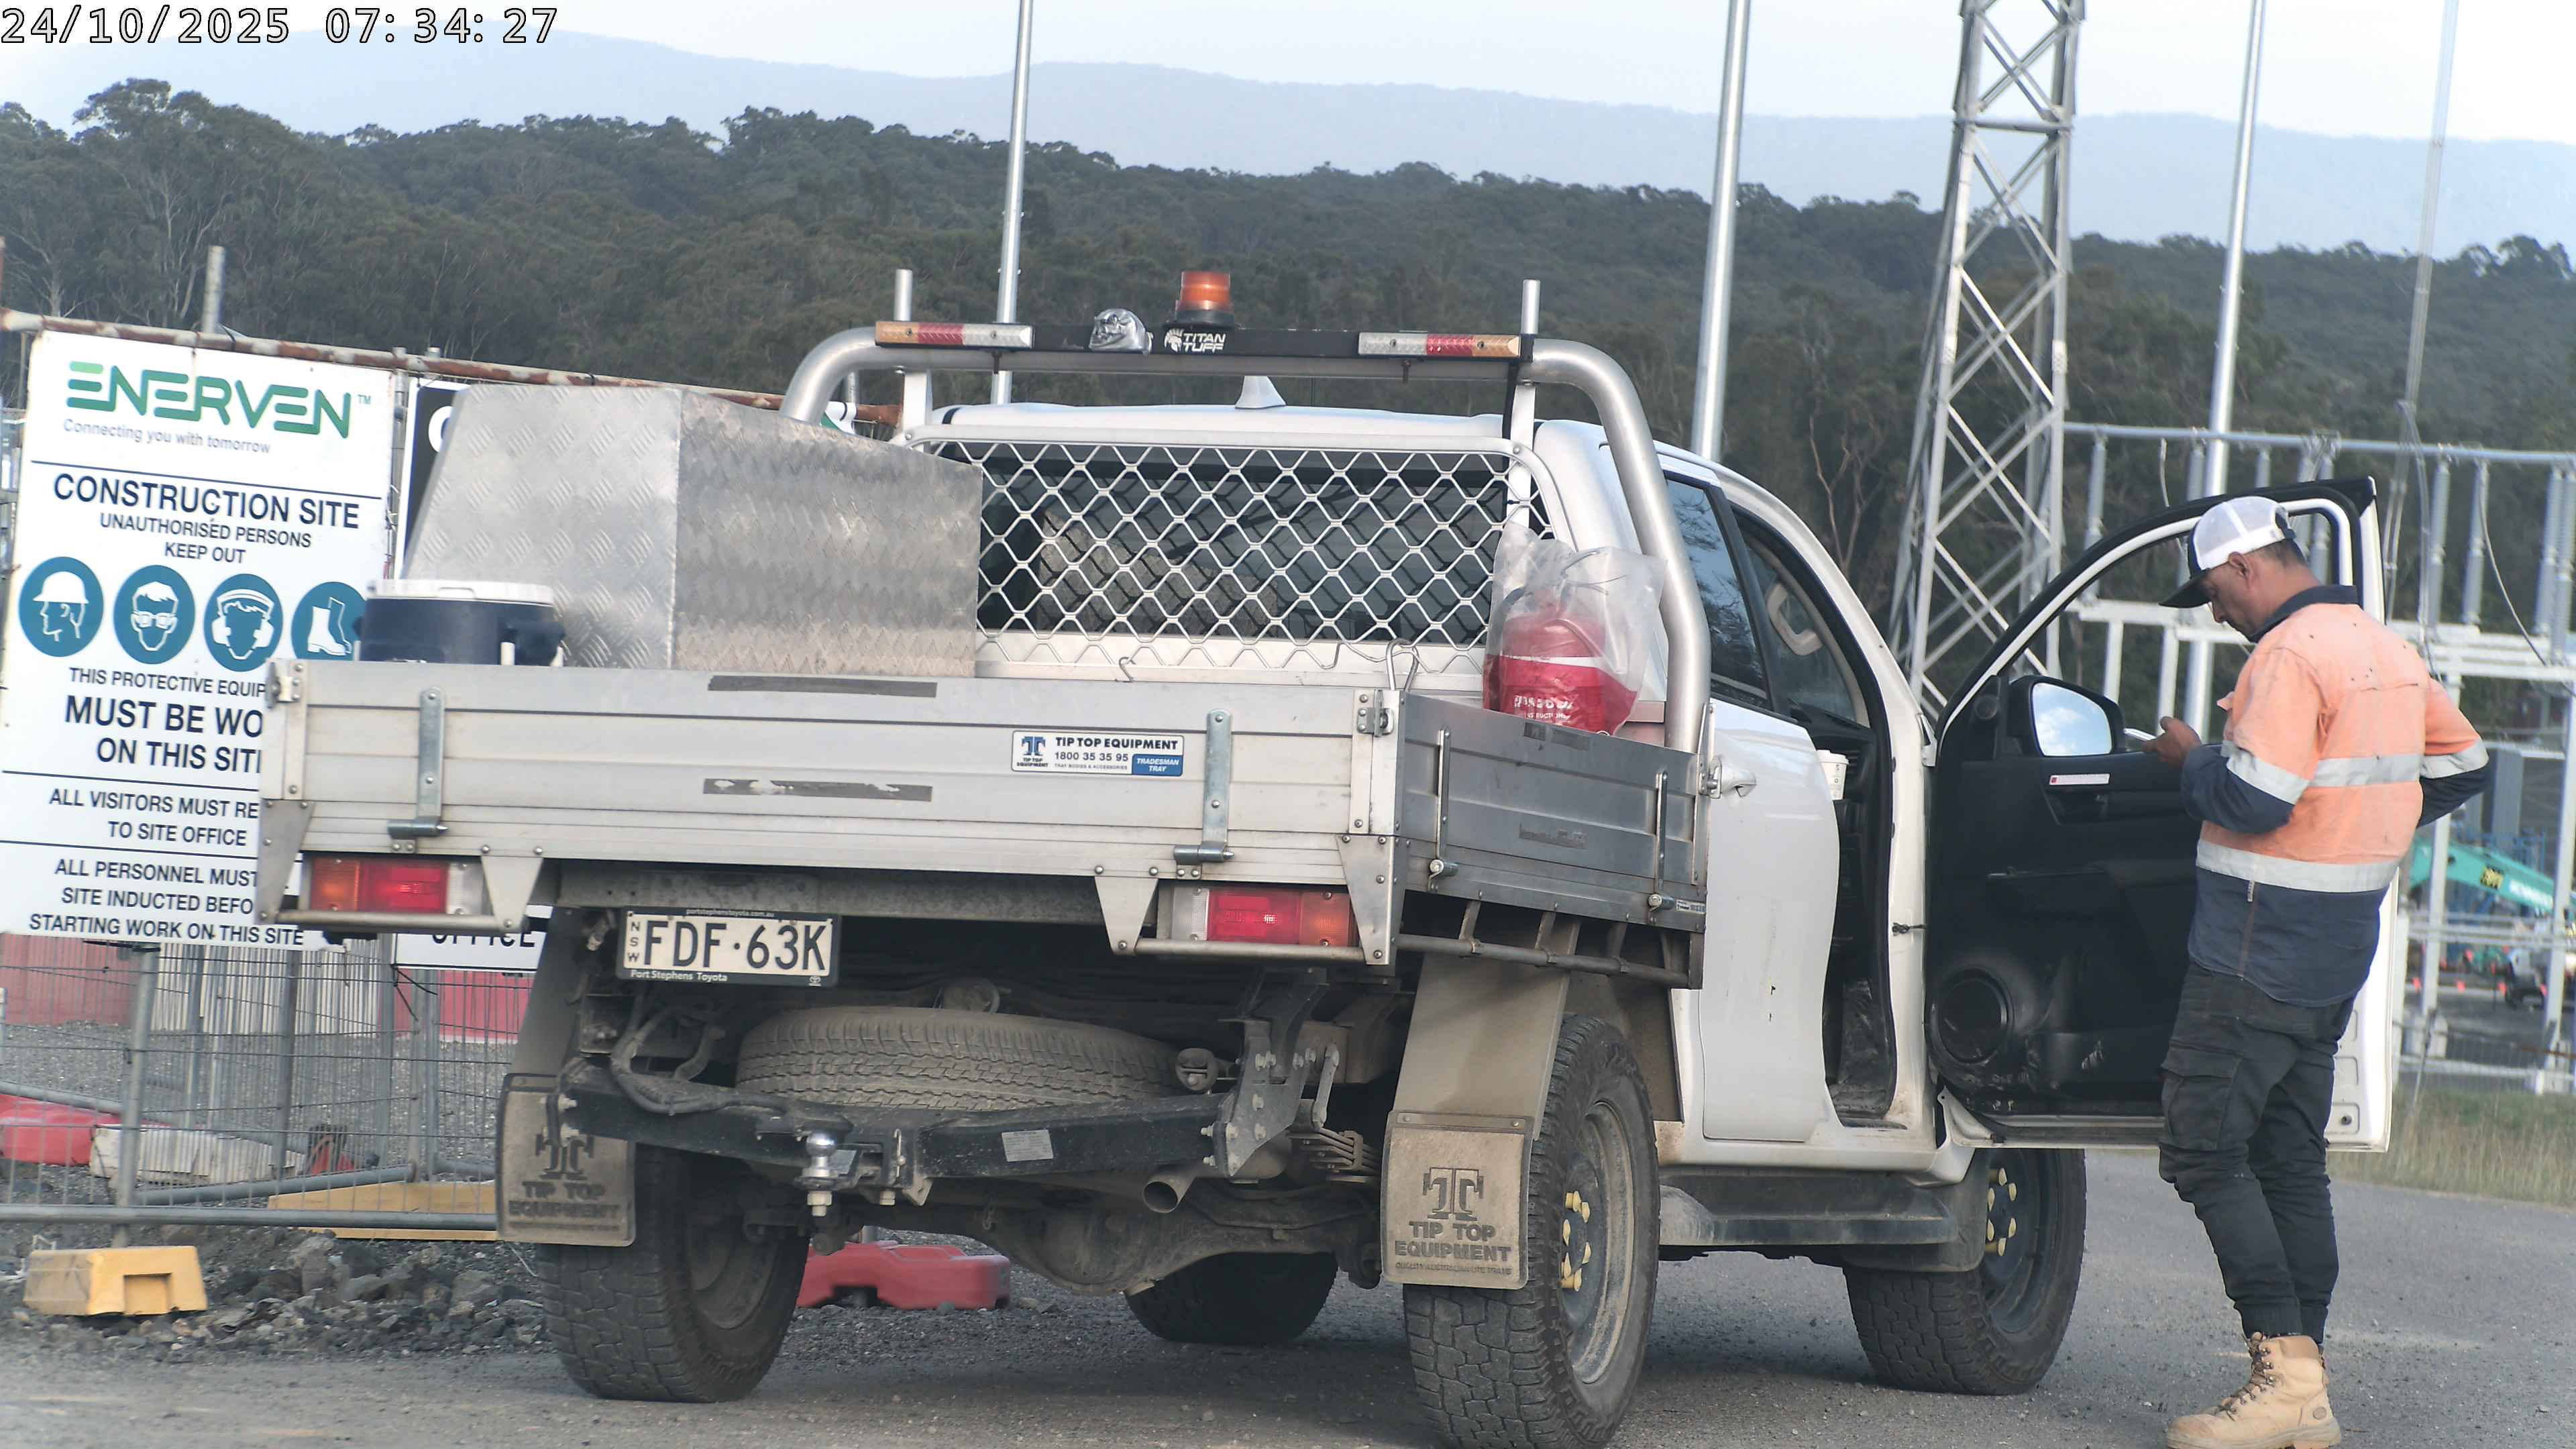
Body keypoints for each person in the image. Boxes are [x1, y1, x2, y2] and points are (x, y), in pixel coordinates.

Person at [2143, 497, 2489, 1449]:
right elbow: (2464, 764)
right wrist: (2366, 825)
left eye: (2215, 594)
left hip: (2255, 947)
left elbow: (2255, 797)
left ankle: (2284, 1375)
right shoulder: (2382, 646)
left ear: (2247, 567)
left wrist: (2188, 762)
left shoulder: (2288, 656)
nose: (2219, 614)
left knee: (2203, 1147)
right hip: (2336, 946)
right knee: (2290, 1157)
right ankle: (2308, 1391)